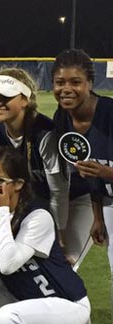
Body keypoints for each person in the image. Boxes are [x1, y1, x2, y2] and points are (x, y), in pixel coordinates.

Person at [0, 146, 90, 323]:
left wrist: (0, 210)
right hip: (32, 308)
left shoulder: (38, 218)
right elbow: (2, 280)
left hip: (68, 304)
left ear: (18, 184)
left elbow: (8, 265)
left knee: (7, 316)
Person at [0, 68, 74, 266]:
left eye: (5, 97)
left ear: (25, 100)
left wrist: (60, 234)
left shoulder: (44, 134)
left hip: (74, 201)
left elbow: (59, 191)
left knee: (66, 265)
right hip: (39, 205)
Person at [52, 49, 113, 285]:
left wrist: (108, 173)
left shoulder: (109, 113)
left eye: (75, 82)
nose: (66, 88)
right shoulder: (63, 119)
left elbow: (100, 171)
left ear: (90, 83)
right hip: (107, 202)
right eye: (60, 82)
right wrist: (97, 216)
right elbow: (89, 174)